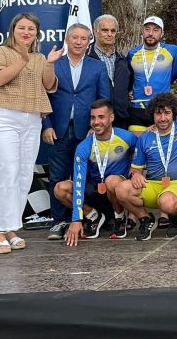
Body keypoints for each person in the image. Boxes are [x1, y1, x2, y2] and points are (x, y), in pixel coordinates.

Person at [0, 12, 59, 254]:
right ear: (13, 29)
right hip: (2, 116)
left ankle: (11, 228)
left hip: (31, 119)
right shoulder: (0, 53)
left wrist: (49, 63)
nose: (26, 32)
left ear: (37, 33)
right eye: (22, 28)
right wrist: (22, 59)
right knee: (7, 171)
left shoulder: (39, 57)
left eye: (31, 29)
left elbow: (48, 85)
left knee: (24, 174)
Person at [43, 23, 111, 241]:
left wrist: (97, 126)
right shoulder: (54, 63)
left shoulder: (97, 66)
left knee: (87, 177)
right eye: (75, 38)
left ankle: (94, 215)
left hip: (87, 131)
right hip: (59, 130)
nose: (79, 42)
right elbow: (43, 97)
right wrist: (47, 126)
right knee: (57, 176)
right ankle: (58, 221)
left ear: (88, 41)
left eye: (84, 38)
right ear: (67, 39)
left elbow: (103, 99)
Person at [115, 93, 177, 241]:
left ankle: (175, 220)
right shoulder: (145, 137)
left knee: (167, 203)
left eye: (167, 113)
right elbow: (136, 168)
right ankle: (145, 219)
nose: (163, 118)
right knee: (121, 189)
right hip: (153, 183)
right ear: (152, 115)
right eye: (158, 114)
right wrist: (136, 175)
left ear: (174, 113)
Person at [54, 100, 137, 246]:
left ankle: (119, 218)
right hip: (94, 191)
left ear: (111, 117)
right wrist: (76, 219)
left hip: (116, 191)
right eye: (93, 118)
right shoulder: (84, 146)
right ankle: (93, 216)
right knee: (60, 189)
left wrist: (153, 130)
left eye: (101, 117)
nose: (96, 122)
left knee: (112, 180)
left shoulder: (127, 137)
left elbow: (143, 152)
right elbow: (78, 183)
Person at [126, 16, 177, 134]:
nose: (150, 33)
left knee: (160, 148)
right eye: (147, 29)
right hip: (138, 108)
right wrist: (128, 91)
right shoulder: (132, 53)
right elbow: (129, 78)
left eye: (155, 30)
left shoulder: (173, 50)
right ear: (142, 31)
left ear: (162, 33)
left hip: (161, 110)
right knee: (138, 148)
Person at [87, 14, 131, 129]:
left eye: (113, 30)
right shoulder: (85, 58)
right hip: (95, 122)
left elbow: (129, 86)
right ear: (95, 32)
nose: (109, 34)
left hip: (121, 121)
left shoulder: (123, 59)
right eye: (105, 30)